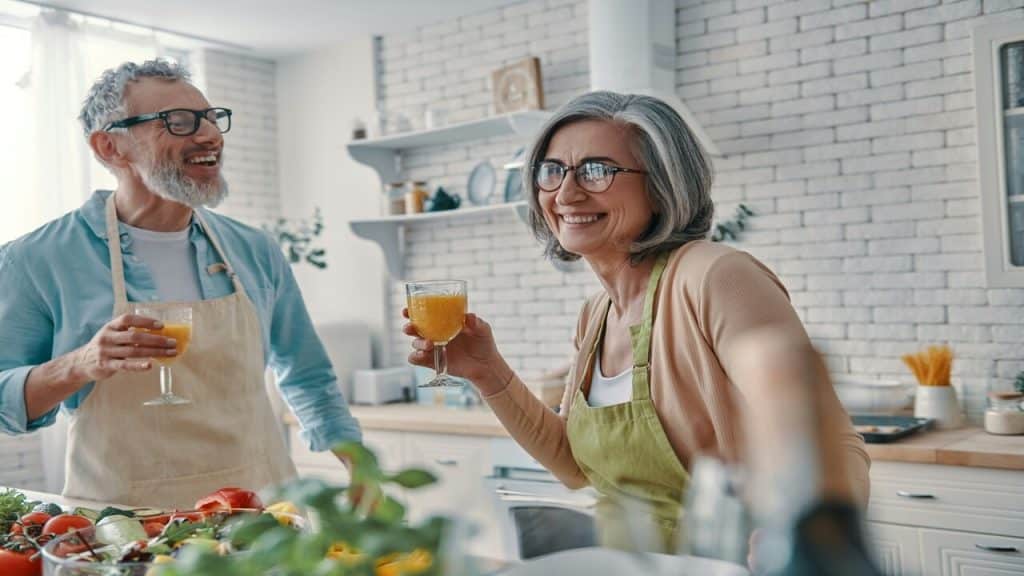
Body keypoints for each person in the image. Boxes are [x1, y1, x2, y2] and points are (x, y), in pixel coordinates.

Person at [404, 91, 869, 554]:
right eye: (553, 171)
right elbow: (573, 466)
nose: (566, 193)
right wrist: (487, 372)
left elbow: (835, 447)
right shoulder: (595, 315)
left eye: (597, 171)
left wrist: (795, 538)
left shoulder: (715, 277)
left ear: (663, 184)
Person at [0, 59, 361, 508]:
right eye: (179, 122)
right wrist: (80, 363)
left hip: (264, 517)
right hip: (128, 529)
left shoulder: (254, 249)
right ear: (111, 147)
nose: (210, 134)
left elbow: (306, 372)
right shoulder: (38, 258)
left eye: (212, 117)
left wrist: (357, 462)